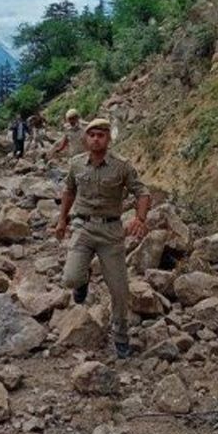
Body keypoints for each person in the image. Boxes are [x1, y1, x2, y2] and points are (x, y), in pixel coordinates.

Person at [52, 117, 150, 358]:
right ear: (86, 138)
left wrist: (140, 218)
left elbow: (142, 192)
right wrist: (62, 219)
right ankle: (83, 280)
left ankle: (120, 337)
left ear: (109, 138)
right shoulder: (76, 164)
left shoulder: (121, 166)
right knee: (70, 278)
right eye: (92, 134)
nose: (96, 139)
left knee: (119, 289)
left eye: (101, 135)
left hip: (110, 232)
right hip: (83, 227)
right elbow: (69, 191)